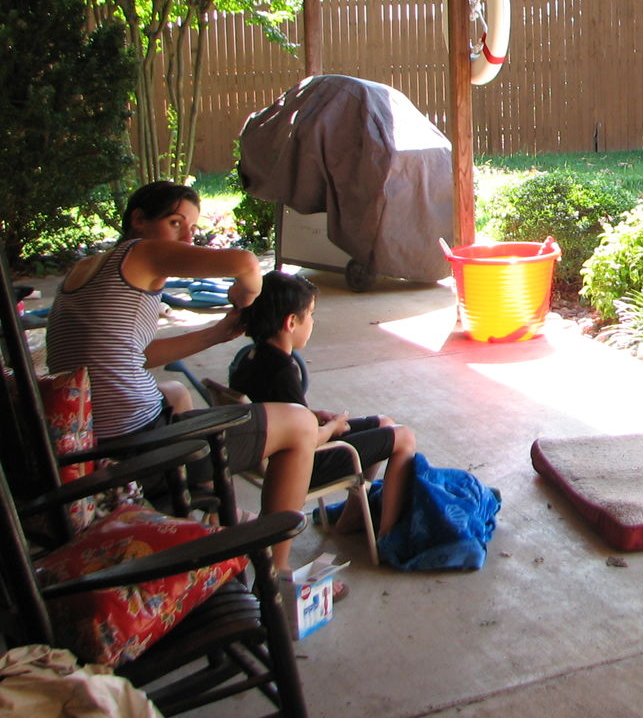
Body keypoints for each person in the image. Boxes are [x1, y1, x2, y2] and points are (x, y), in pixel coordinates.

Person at [45, 181, 320, 574]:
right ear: (139, 220)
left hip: (90, 437)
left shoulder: (87, 269)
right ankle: (277, 572)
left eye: (192, 226)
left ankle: (200, 514)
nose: (188, 238)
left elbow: (136, 355)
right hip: (131, 451)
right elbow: (246, 264)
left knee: (174, 391)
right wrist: (246, 296)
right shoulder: (141, 253)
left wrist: (216, 334)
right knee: (301, 424)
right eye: (175, 223)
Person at [231, 271, 416, 542]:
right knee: (404, 437)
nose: (312, 322)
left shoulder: (249, 358)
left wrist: (314, 415)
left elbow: (276, 410)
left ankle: (352, 516)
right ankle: (388, 536)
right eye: (310, 314)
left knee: (384, 423)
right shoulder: (281, 371)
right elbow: (304, 439)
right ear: (291, 322)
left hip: (266, 451)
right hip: (296, 467)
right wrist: (331, 427)